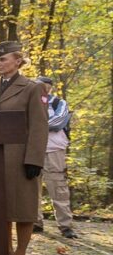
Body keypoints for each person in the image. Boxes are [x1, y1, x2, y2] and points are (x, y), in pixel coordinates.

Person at [0, 41, 48, 255]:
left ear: (18, 60)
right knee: (0, 208)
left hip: (21, 159)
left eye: (3, 59)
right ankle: (5, 251)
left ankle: (20, 254)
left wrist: (34, 159)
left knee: (23, 209)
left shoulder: (33, 88)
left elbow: (39, 126)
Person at [34, 77, 78, 239]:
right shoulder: (28, 102)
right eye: (38, 86)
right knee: (32, 187)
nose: (42, 89)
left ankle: (65, 225)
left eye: (45, 86)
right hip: (31, 149)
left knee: (58, 187)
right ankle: (35, 222)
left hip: (53, 149)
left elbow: (58, 121)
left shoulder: (59, 103)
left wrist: (34, 123)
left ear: (50, 88)